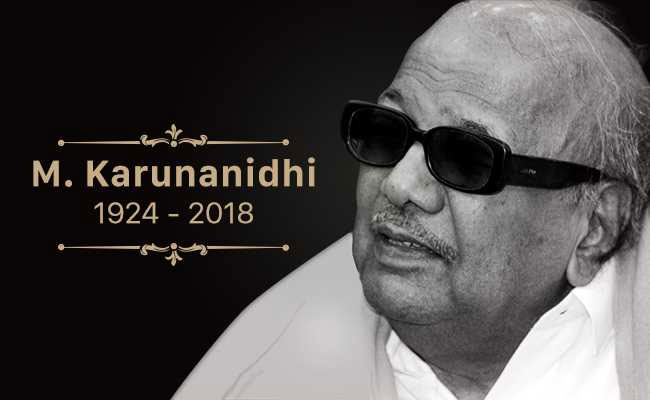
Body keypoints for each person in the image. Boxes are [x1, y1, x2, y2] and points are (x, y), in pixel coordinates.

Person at [173, 1, 649, 399]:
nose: (399, 186)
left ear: (596, 226)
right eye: (387, 131)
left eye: (466, 157)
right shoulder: (255, 375)